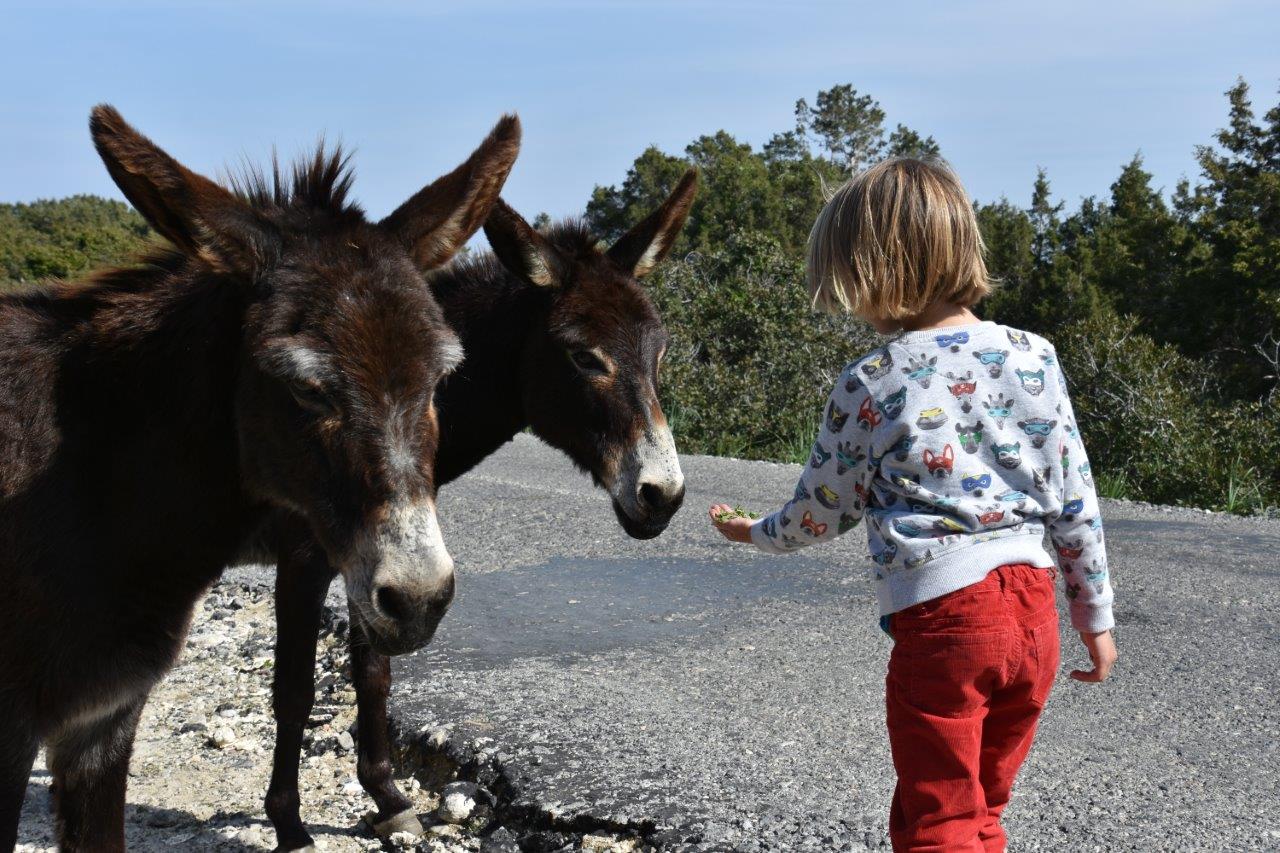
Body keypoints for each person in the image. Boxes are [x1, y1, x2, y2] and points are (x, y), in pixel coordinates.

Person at [708, 157, 1117, 852]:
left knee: (939, 820)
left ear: (878, 268)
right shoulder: (1035, 356)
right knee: (983, 807)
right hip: (1034, 614)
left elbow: (823, 507)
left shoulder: (873, 379)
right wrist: (1094, 616)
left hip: (949, 619)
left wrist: (756, 533)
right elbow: (1074, 497)